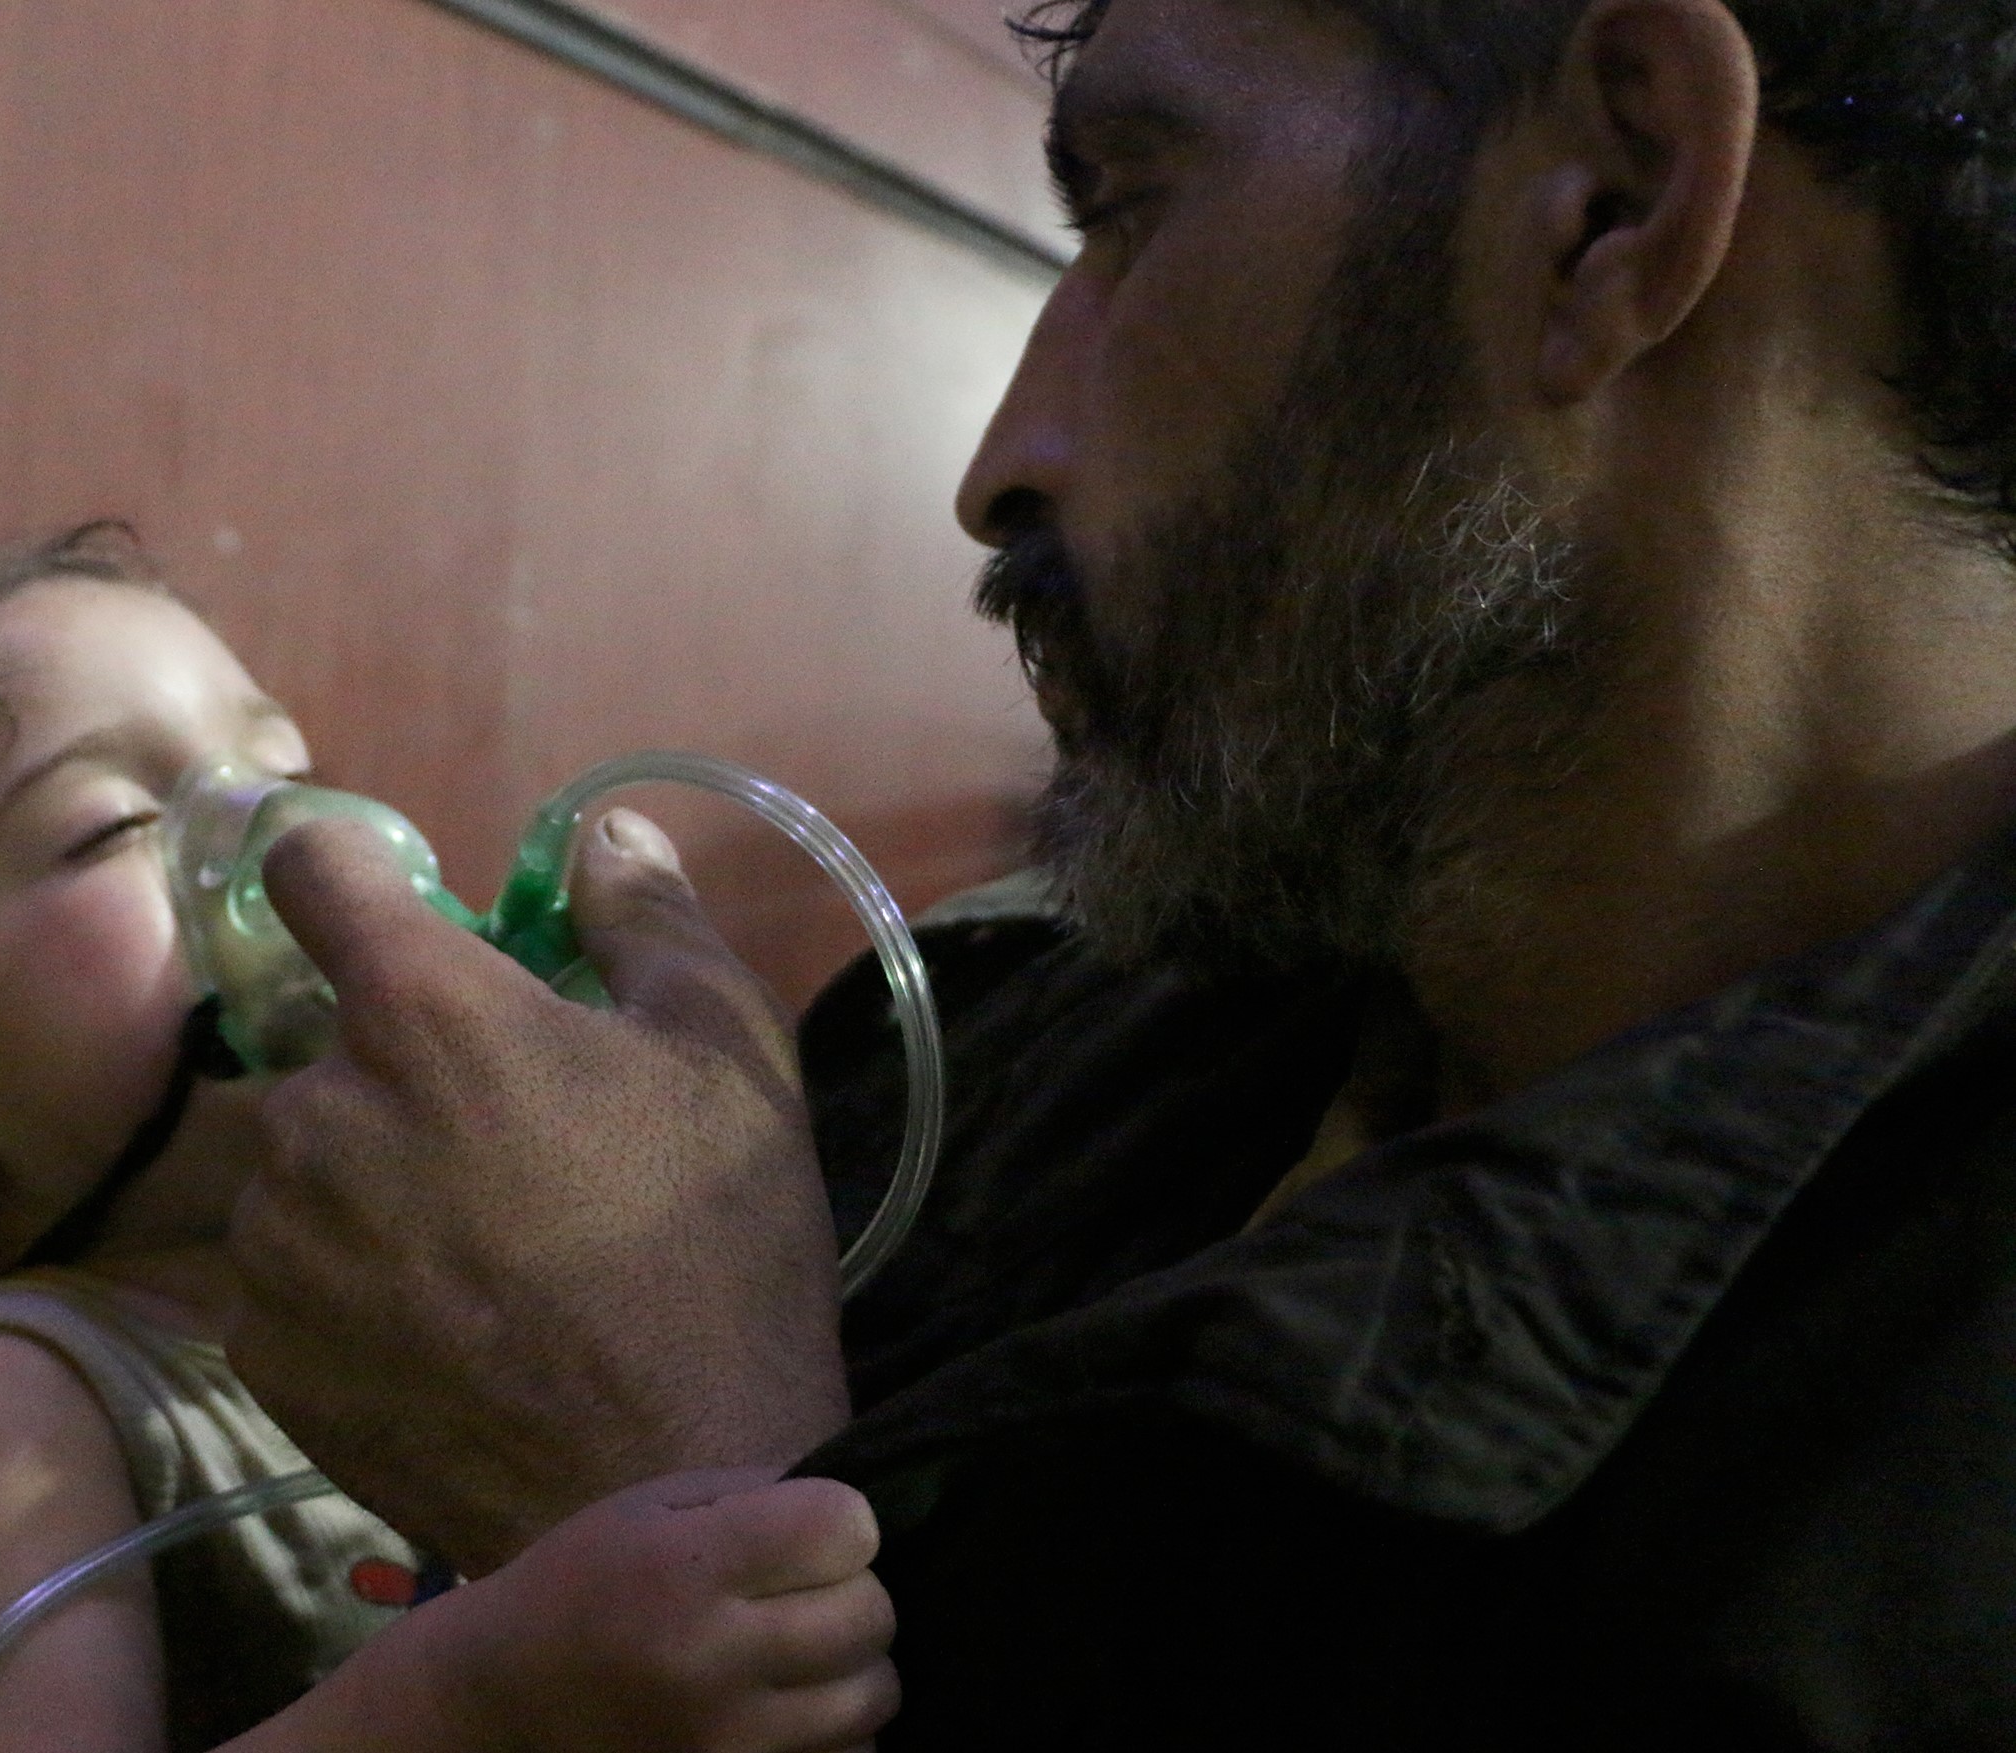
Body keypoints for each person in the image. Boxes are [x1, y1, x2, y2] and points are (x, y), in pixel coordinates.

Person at [215, 0, 2016, 1744]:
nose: (1001, 468)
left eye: (1135, 203)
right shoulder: (1044, 1037)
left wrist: (665, 1516)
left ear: (1612, 198)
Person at [0, 522, 899, 1753]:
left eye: (280, 773)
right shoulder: (25, 1382)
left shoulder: (434, 1274)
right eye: (113, 823)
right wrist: (474, 1704)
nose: (289, 842)